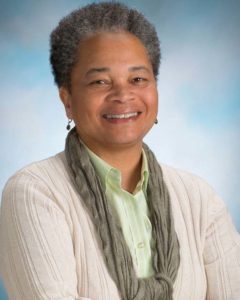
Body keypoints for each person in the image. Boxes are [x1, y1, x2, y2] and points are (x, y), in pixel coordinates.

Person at [0, 2, 239, 300]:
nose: (123, 95)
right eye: (100, 81)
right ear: (67, 100)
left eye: (138, 79)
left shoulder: (199, 199)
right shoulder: (34, 192)